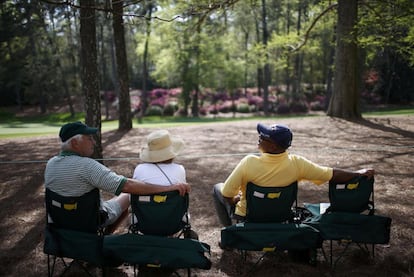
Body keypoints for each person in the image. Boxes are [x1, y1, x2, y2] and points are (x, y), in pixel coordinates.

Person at [212, 123, 375, 227]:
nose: (259, 138)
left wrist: (234, 200)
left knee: (216, 189)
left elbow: (227, 193)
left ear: (274, 147)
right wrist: (356, 173)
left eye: (264, 137)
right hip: (281, 214)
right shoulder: (298, 163)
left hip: (249, 216)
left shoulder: (249, 162)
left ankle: (229, 230)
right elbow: (332, 175)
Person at [44, 121, 190, 233]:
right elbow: (127, 186)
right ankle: (102, 242)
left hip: (60, 220)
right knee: (127, 195)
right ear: (75, 143)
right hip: (89, 221)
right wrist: (169, 188)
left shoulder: (50, 164)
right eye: (89, 138)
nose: (94, 142)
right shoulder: (87, 166)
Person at [132, 129, 198, 239]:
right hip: (174, 222)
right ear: (171, 152)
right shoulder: (179, 169)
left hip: (144, 222)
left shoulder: (139, 169)